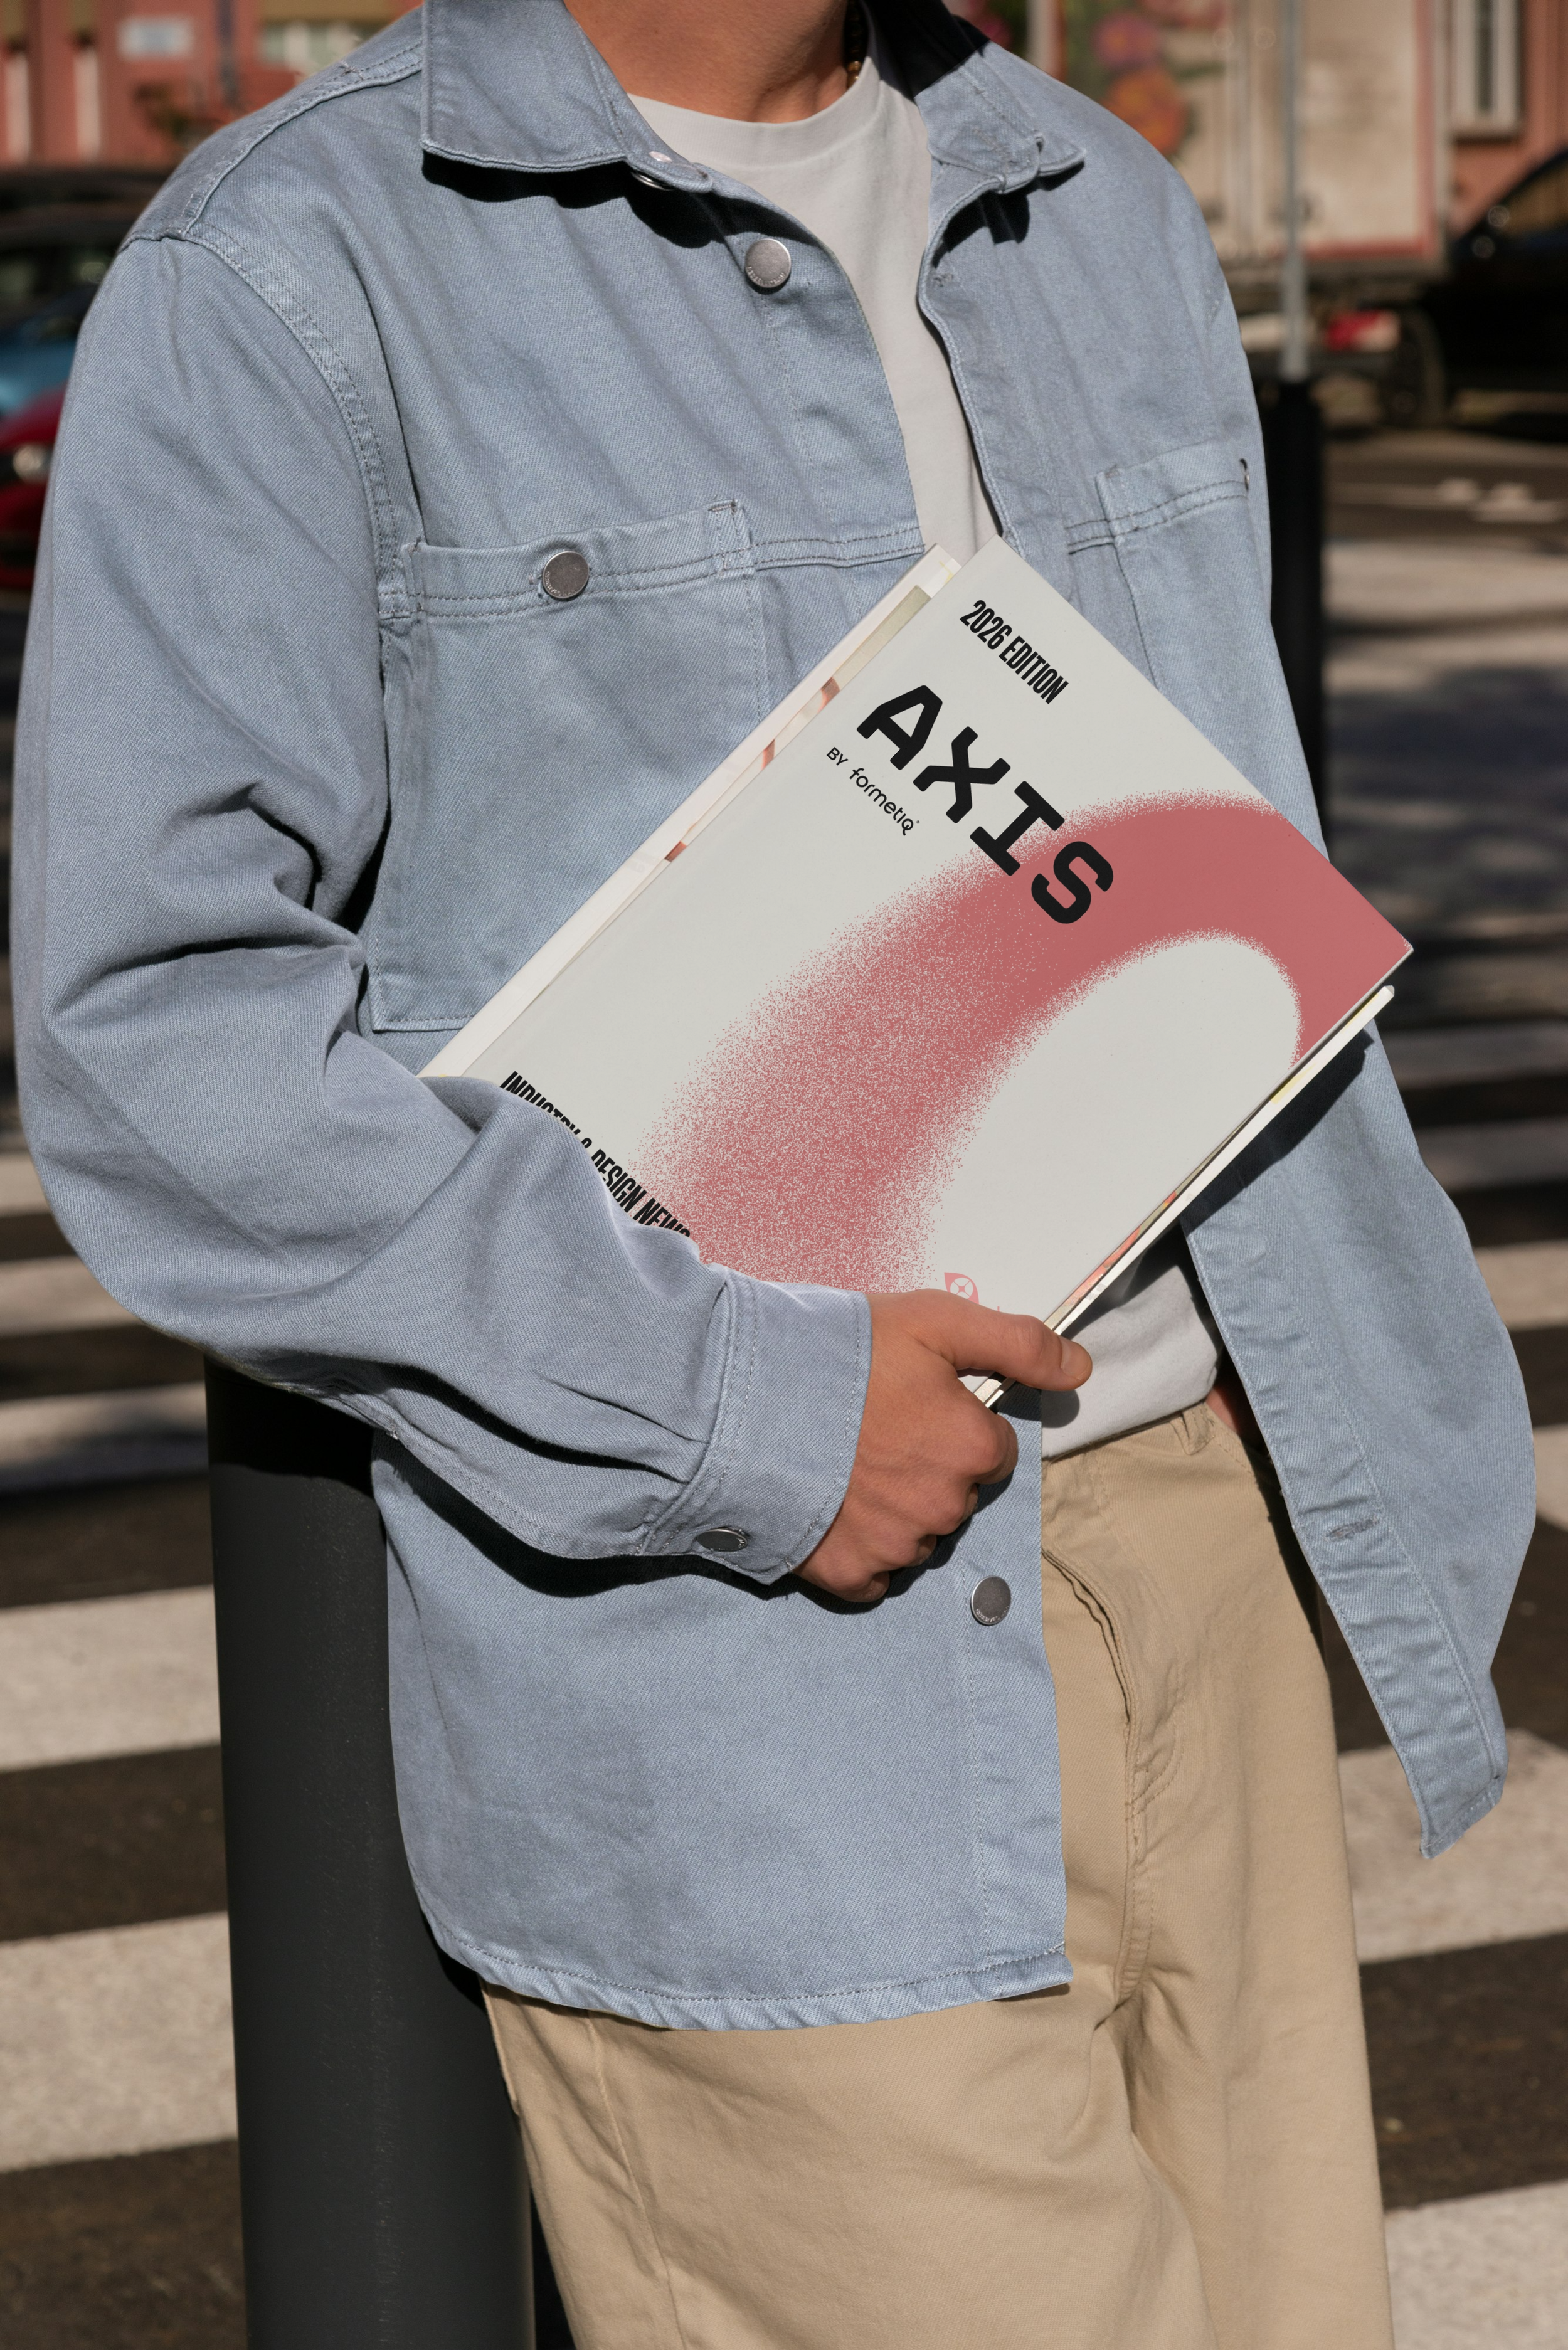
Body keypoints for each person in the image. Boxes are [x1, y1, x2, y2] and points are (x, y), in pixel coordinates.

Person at [13, 1, 1532, 2342]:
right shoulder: (304, 256)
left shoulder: (1081, 196)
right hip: (758, 1661)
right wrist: (737, 1410)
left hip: (1196, 1547)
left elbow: (1210, 844)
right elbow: (158, 1038)